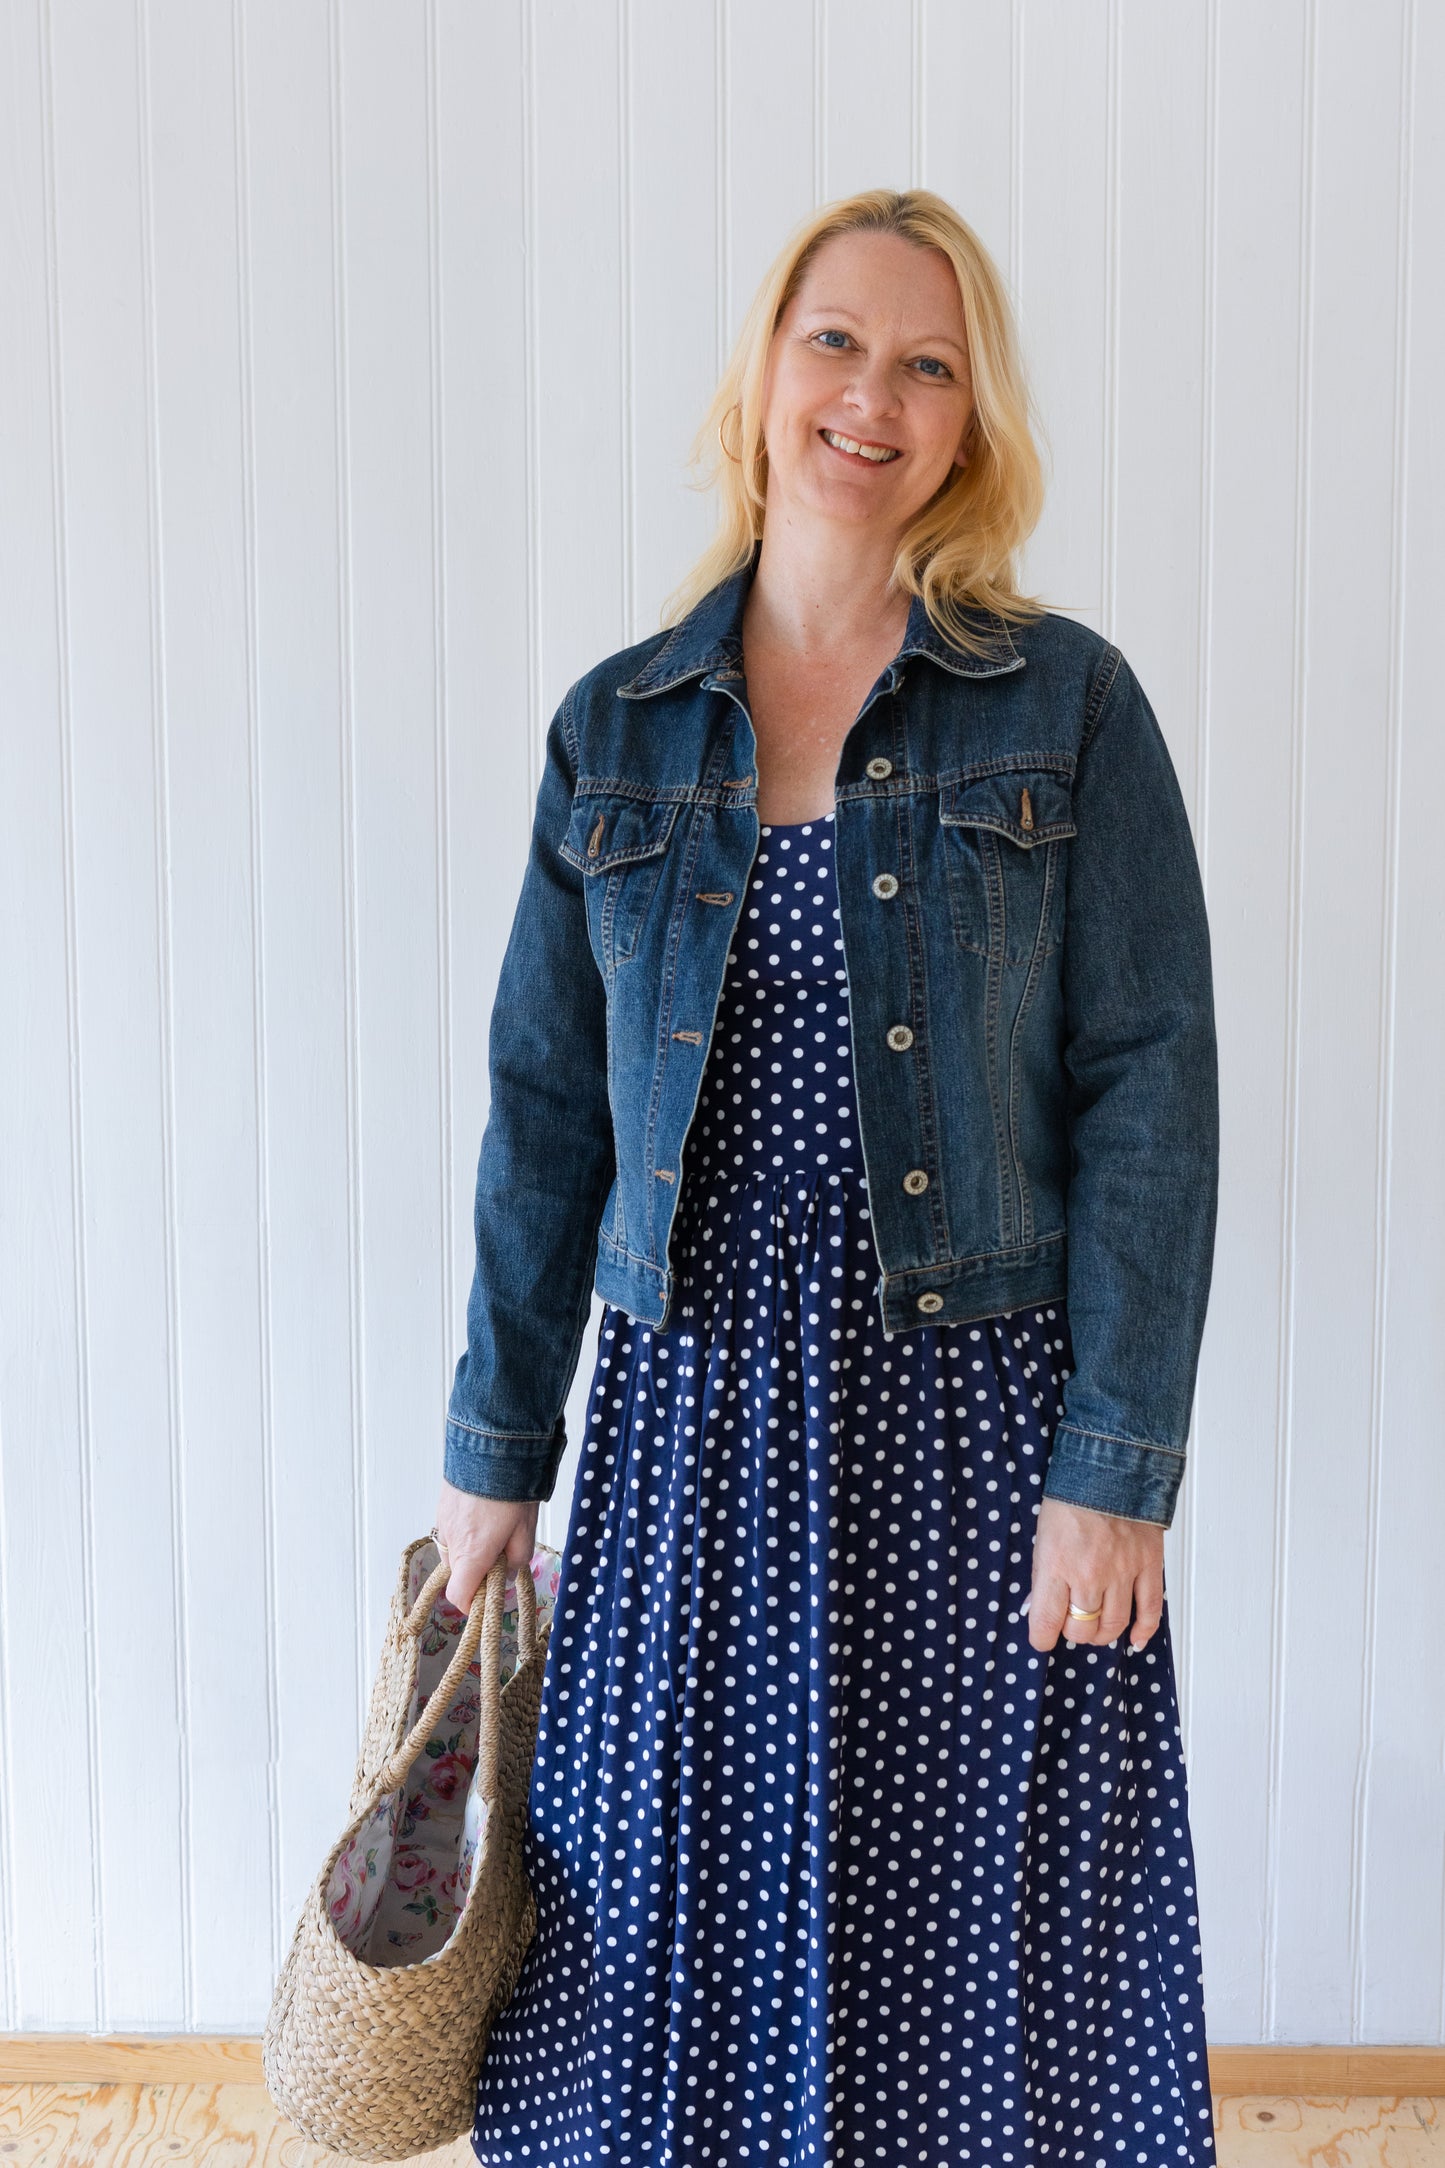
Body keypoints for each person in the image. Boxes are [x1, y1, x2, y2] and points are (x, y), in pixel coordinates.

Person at [436, 186, 1220, 2167]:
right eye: (837, 342)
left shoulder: (1070, 707)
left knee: (983, 1940)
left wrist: (1115, 1471)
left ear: (973, 424)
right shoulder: (613, 732)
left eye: (929, 364)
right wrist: (490, 1456)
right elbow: (547, 1118)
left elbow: (1151, 1091)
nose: (874, 395)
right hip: (690, 1420)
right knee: (651, 1928)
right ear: (765, 377)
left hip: (975, 1420)